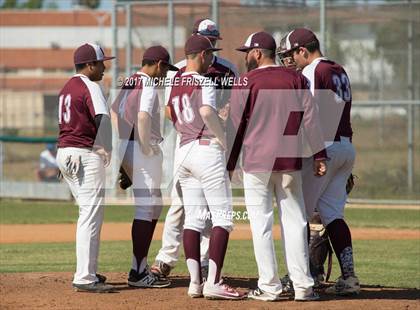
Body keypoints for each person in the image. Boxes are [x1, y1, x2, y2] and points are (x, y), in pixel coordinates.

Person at [228, 31, 327, 302]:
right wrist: (320, 155)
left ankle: (269, 287)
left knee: (261, 223)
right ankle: (303, 287)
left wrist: (230, 163)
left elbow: (235, 126)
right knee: (295, 222)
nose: (246, 57)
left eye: (247, 52)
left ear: (258, 53)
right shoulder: (295, 78)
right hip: (289, 161)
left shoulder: (246, 81)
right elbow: (311, 118)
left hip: (257, 162)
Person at [151, 18, 238, 279]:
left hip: (216, 142)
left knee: (211, 209)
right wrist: (196, 125)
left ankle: (201, 262)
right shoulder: (178, 70)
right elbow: (168, 110)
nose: (210, 45)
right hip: (189, 140)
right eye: (205, 39)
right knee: (180, 203)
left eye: (213, 40)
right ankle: (166, 257)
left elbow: (238, 104)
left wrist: (226, 117)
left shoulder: (227, 69)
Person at [284, 27, 360, 295]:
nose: (292, 60)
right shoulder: (339, 69)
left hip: (324, 147)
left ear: (303, 50)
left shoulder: (312, 71)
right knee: (333, 215)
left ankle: (301, 276)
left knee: (298, 214)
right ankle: (349, 277)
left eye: (293, 53)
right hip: (345, 146)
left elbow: (310, 110)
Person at [167, 34, 243, 300]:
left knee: (194, 220)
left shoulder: (176, 82)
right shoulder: (205, 81)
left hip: (183, 152)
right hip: (206, 150)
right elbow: (207, 112)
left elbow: (171, 115)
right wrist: (223, 141)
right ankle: (214, 282)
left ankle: (194, 283)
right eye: (210, 55)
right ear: (201, 55)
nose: (212, 60)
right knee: (222, 219)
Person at [111, 46, 178, 288]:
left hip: (127, 146)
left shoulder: (130, 80)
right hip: (141, 149)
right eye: (165, 69)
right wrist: (144, 147)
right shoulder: (148, 84)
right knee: (145, 208)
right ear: (159, 65)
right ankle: (137, 272)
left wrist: (123, 144)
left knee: (154, 205)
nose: (164, 75)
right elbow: (142, 118)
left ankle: (139, 266)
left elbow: (113, 111)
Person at [56, 43, 114, 293]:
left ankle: (87, 270)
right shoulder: (91, 86)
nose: (104, 67)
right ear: (90, 65)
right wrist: (106, 147)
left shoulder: (66, 87)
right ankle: (84, 277)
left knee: (86, 215)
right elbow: (103, 118)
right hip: (84, 155)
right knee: (90, 216)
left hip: (65, 153)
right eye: (101, 63)